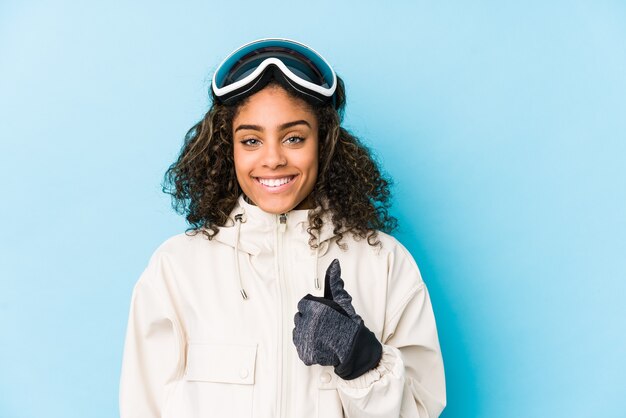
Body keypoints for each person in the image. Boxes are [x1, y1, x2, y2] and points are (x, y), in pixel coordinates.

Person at [119, 38, 446, 418]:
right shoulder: (176, 269)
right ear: (229, 149)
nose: (272, 159)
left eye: (293, 137)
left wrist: (362, 359)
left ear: (323, 142)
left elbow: (422, 411)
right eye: (252, 140)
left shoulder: (385, 263)